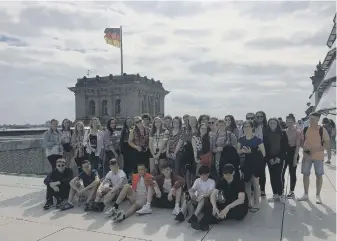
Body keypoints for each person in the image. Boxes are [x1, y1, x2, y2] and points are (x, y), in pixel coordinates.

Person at [191, 164, 248, 231]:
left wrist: (227, 208)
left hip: (237, 204)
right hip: (226, 202)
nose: (227, 176)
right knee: (210, 206)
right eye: (225, 174)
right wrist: (214, 206)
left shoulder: (239, 182)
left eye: (229, 174)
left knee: (237, 212)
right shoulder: (221, 182)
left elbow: (241, 200)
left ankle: (205, 222)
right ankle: (203, 223)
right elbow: (213, 194)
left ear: (233, 173)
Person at [298, 112, 331, 204]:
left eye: (312, 119)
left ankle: (317, 195)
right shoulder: (305, 129)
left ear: (318, 120)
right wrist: (304, 147)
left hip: (318, 156)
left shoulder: (322, 130)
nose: (310, 120)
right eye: (310, 118)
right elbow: (301, 141)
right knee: (305, 174)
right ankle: (305, 194)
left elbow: (327, 143)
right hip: (306, 156)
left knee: (319, 175)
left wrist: (316, 149)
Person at [237, 121, 265, 211]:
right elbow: (237, 151)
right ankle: (249, 202)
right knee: (247, 184)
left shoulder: (257, 139)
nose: (246, 128)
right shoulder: (241, 139)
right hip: (246, 164)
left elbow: (263, 153)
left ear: (252, 128)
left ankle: (257, 203)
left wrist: (251, 152)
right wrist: (242, 151)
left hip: (255, 163)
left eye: (247, 126)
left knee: (256, 184)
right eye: (244, 126)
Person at [263, 118, 288, 203]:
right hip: (270, 159)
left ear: (277, 124)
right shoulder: (266, 134)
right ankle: (275, 195)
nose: (272, 124)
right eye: (270, 123)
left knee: (278, 176)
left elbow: (285, 147)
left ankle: (280, 194)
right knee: (272, 177)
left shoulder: (282, 133)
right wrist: (269, 159)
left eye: (274, 123)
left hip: (279, 158)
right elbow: (265, 148)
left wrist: (279, 157)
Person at [283, 114, 301, 198]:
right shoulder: (284, 131)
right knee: (282, 172)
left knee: (292, 173)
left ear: (294, 122)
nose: (289, 123)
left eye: (291, 122)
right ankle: (281, 189)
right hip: (284, 153)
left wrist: (295, 158)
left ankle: (291, 190)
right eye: (287, 122)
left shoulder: (297, 132)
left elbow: (298, 146)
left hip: (293, 152)